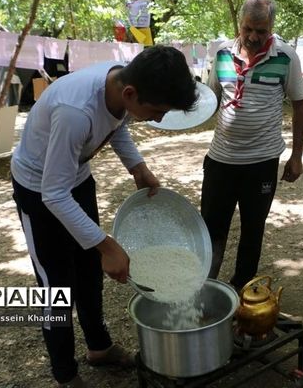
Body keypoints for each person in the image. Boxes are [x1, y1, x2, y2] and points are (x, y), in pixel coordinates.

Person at [10, 46, 197, 388]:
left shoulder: (119, 81)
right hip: (39, 190)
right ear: (131, 93)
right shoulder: (74, 112)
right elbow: (53, 194)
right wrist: (107, 244)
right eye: (156, 111)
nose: (157, 119)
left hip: (76, 180)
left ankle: (99, 348)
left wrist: (137, 167)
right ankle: (66, 375)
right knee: (56, 289)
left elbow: (117, 123)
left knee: (88, 270)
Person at [203, 0, 303, 291]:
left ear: (271, 27)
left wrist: (297, 157)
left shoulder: (286, 56)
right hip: (220, 160)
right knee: (211, 227)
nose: (253, 37)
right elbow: (210, 99)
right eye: (248, 29)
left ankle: (241, 290)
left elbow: (300, 106)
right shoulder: (223, 53)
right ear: (240, 24)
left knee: (253, 228)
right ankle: (205, 286)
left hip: (262, 163)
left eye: (261, 31)